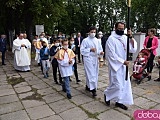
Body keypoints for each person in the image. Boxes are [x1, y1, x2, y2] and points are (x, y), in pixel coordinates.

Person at [104, 22, 137, 110]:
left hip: (124, 66)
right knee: (117, 85)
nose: (121, 30)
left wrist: (131, 38)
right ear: (115, 28)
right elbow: (111, 54)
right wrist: (122, 61)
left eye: (123, 29)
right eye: (119, 29)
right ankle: (107, 94)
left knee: (124, 85)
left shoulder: (125, 38)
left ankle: (119, 101)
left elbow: (132, 49)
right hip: (116, 65)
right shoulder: (111, 39)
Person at [80, 26, 104, 97]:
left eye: (94, 32)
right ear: (89, 32)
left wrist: (101, 53)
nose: (93, 33)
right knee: (91, 73)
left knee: (95, 72)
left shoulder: (97, 40)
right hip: (88, 58)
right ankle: (93, 89)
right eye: (92, 32)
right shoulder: (85, 40)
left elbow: (99, 49)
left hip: (95, 58)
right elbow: (82, 50)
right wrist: (90, 49)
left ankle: (88, 86)